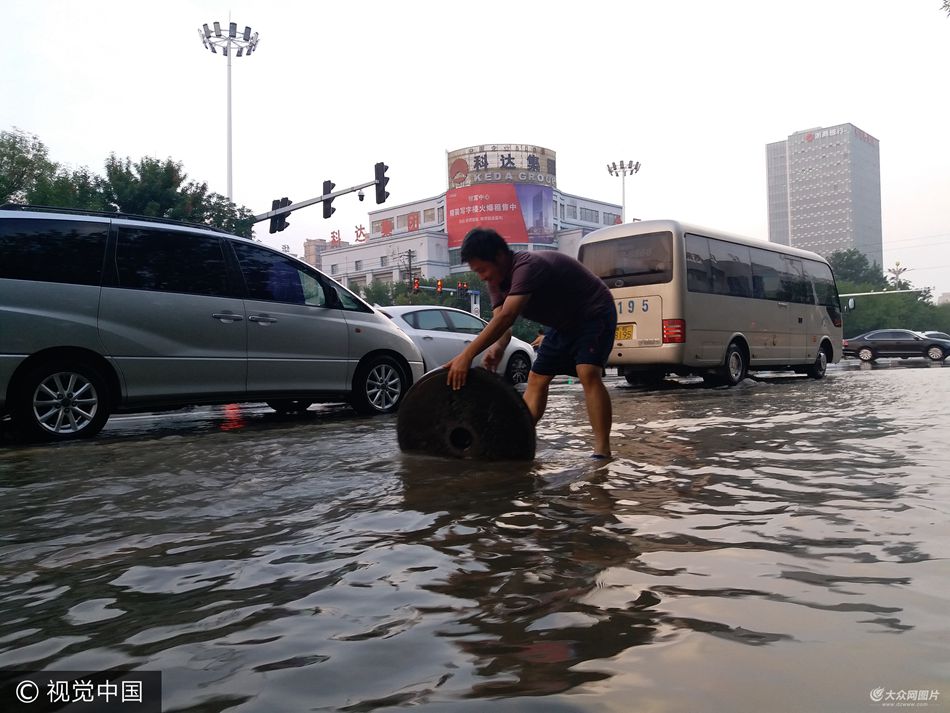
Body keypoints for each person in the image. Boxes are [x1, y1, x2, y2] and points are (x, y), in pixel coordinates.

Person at [444, 227, 618, 458]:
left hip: (594, 312)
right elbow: (501, 323)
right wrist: (498, 347)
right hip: (562, 325)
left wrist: (467, 356)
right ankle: (518, 441)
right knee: (536, 378)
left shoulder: (527, 266)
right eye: (477, 272)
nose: (482, 277)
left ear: (499, 256)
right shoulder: (495, 282)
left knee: (587, 372)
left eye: (483, 269)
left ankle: (602, 452)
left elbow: (507, 317)